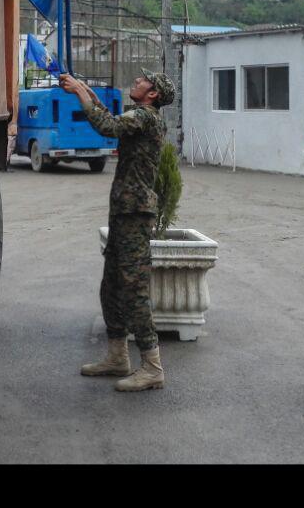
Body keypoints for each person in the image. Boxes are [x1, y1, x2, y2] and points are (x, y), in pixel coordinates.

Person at [60, 68, 175, 392]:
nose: (136, 82)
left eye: (142, 81)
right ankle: (117, 357)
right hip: (124, 213)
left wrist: (81, 94)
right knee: (111, 287)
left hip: (134, 215)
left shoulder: (147, 117)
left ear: (152, 94)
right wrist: (88, 93)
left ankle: (152, 367)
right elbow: (113, 120)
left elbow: (108, 126)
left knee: (134, 291)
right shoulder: (141, 118)